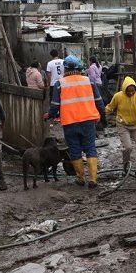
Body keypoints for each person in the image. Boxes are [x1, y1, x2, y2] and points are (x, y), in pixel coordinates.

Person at [48, 55, 100, 188]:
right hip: (88, 120)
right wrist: (103, 116)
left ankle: (81, 178)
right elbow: (99, 101)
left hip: (70, 122)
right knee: (90, 148)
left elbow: (54, 105)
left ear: (65, 68)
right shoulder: (89, 81)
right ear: (79, 68)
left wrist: (50, 115)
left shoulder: (60, 83)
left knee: (75, 150)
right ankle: (93, 179)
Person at [105, 76, 136, 171]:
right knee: (128, 147)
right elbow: (110, 107)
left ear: (135, 89)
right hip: (123, 125)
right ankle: (126, 165)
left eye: (132, 91)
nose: (130, 93)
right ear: (124, 89)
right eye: (128, 91)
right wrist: (103, 114)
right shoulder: (118, 96)